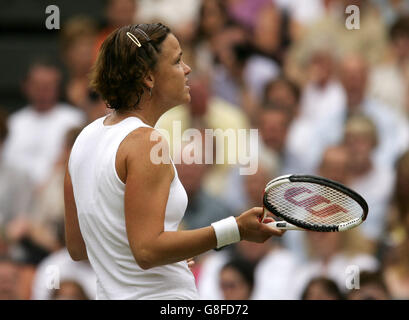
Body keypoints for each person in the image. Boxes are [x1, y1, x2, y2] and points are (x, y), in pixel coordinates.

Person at [64, 23, 284, 300]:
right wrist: (236, 229)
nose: (188, 69)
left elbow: (78, 247)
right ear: (149, 77)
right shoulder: (146, 142)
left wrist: (170, 259)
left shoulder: (85, 137)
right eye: (177, 60)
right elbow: (146, 250)